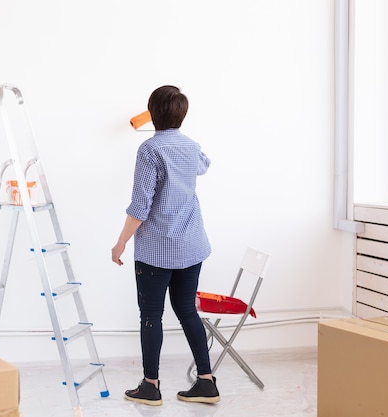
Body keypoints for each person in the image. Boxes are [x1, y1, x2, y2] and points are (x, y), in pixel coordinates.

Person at [111, 85, 220, 406]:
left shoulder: (149, 151)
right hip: (191, 246)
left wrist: (120, 243)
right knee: (187, 311)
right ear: (182, 114)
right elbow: (204, 164)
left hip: (156, 251)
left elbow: (140, 206)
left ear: (152, 113)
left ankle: (150, 385)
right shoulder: (191, 147)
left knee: (151, 315)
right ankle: (206, 382)